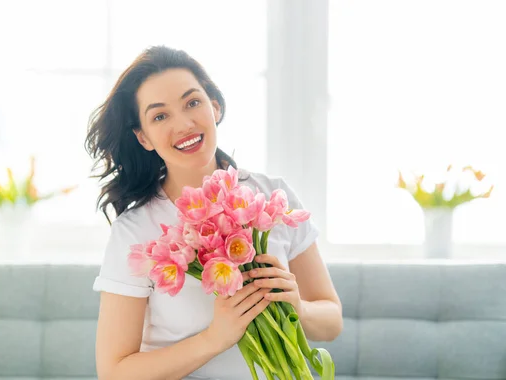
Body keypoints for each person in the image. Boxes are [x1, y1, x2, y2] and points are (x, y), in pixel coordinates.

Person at [86, 45, 343, 380]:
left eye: (192, 102)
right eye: (160, 116)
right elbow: (114, 372)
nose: (183, 124)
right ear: (143, 137)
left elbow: (331, 321)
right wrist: (213, 339)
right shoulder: (136, 232)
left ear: (215, 107)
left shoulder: (271, 197)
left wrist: (298, 307)